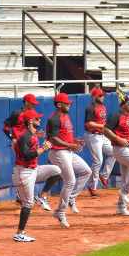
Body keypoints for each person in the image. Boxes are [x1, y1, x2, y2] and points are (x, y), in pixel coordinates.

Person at [11, 110, 61, 242]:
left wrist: (38, 138)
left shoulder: (30, 135)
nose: (40, 120)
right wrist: (43, 148)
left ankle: (42, 196)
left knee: (56, 170)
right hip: (24, 172)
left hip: (33, 170)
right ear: (30, 121)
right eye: (37, 119)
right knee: (28, 204)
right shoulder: (26, 136)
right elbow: (27, 155)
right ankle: (19, 233)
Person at [46, 92, 91, 228]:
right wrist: (70, 145)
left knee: (86, 171)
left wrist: (75, 141)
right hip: (58, 152)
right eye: (67, 103)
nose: (69, 104)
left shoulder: (65, 116)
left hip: (67, 152)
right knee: (70, 180)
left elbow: (65, 136)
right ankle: (60, 212)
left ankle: (71, 197)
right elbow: (53, 138)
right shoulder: (53, 118)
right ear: (59, 105)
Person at [103, 95, 129, 216]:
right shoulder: (116, 115)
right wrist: (118, 138)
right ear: (123, 105)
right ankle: (124, 192)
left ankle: (121, 207)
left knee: (126, 178)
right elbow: (105, 130)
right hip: (120, 148)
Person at [85, 87, 115, 197]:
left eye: (103, 95)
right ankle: (92, 187)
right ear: (94, 97)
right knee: (98, 161)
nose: (103, 97)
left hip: (102, 135)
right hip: (93, 136)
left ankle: (104, 175)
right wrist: (102, 126)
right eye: (100, 95)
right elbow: (88, 124)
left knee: (114, 152)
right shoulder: (90, 108)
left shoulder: (103, 107)